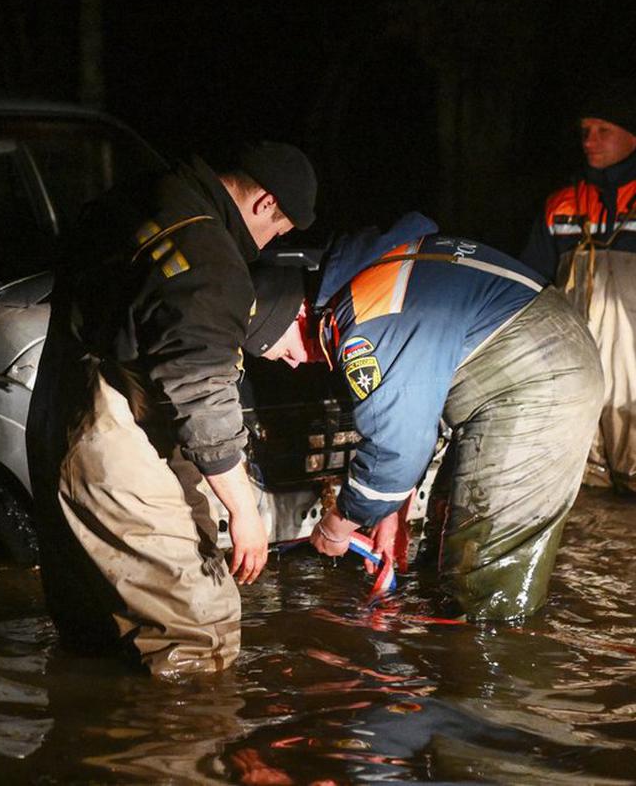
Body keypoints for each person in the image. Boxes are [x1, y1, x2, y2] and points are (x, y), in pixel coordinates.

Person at [26, 140, 317, 677]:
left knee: (94, 636)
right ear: (266, 203)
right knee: (199, 635)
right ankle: (189, 756)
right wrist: (246, 512)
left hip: (57, 413)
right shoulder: (210, 258)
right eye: (280, 229)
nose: (269, 246)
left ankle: (79, 754)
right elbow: (202, 394)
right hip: (116, 442)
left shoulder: (145, 195)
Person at [245, 214, 603, 621]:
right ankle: (450, 652)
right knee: (448, 535)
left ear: (297, 316)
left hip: (536, 376)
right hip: (537, 352)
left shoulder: (365, 321)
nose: (292, 365)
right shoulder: (378, 273)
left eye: (282, 351)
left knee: (483, 575)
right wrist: (391, 511)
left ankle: (493, 667)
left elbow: (395, 450)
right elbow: (418, 405)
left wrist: (338, 526)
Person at [520, 86, 636, 493]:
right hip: (575, 367)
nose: (589, 140)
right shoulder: (561, 204)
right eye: (586, 130)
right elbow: (532, 283)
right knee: (579, 490)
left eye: (603, 129)